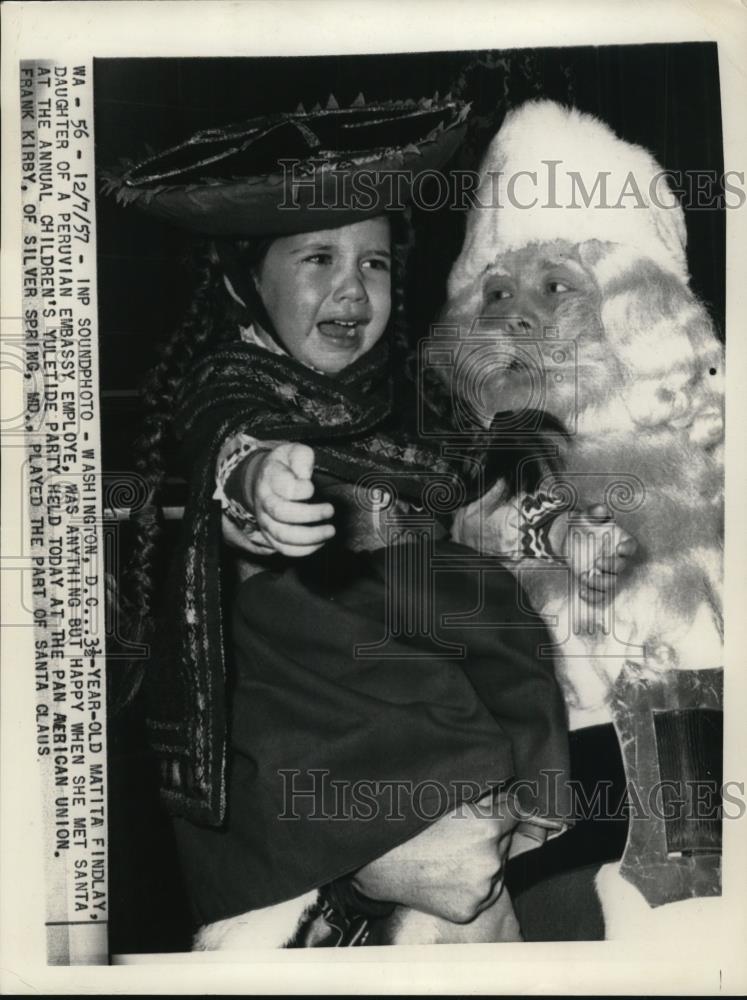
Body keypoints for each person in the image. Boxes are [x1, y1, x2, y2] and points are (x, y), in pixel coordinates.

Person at [108, 97, 634, 948]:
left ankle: (405, 894)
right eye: (318, 258)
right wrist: (262, 487)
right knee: (442, 854)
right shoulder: (232, 386)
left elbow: (472, 501)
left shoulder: (404, 395)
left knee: (478, 900)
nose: (352, 289)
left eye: (375, 264)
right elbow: (229, 457)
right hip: (308, 692)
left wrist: (561, 533)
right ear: (247, 280)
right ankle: (341, 899)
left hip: (438, 666)